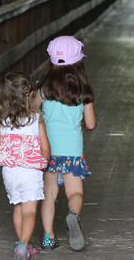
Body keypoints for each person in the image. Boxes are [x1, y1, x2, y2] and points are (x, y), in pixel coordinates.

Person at [33, 36, 96, 252]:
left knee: (49, 194)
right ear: (78, 63)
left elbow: (31, 113)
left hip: (48, 152)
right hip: (73, 153)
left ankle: (48, 238)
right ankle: (73, 215)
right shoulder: (84, 93)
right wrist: (81, 126)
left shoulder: (43, 91)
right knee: (74, 192)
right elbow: (91, 124)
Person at [0, 73, 51, 260]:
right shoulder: (36, 118)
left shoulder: (2, 119)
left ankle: (22, 244)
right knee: (30, 211)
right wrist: (46, 161)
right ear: (30, 94)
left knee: (17, 208)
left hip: (10, 172)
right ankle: (23, 245)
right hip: (30, 171)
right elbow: (45, 147)